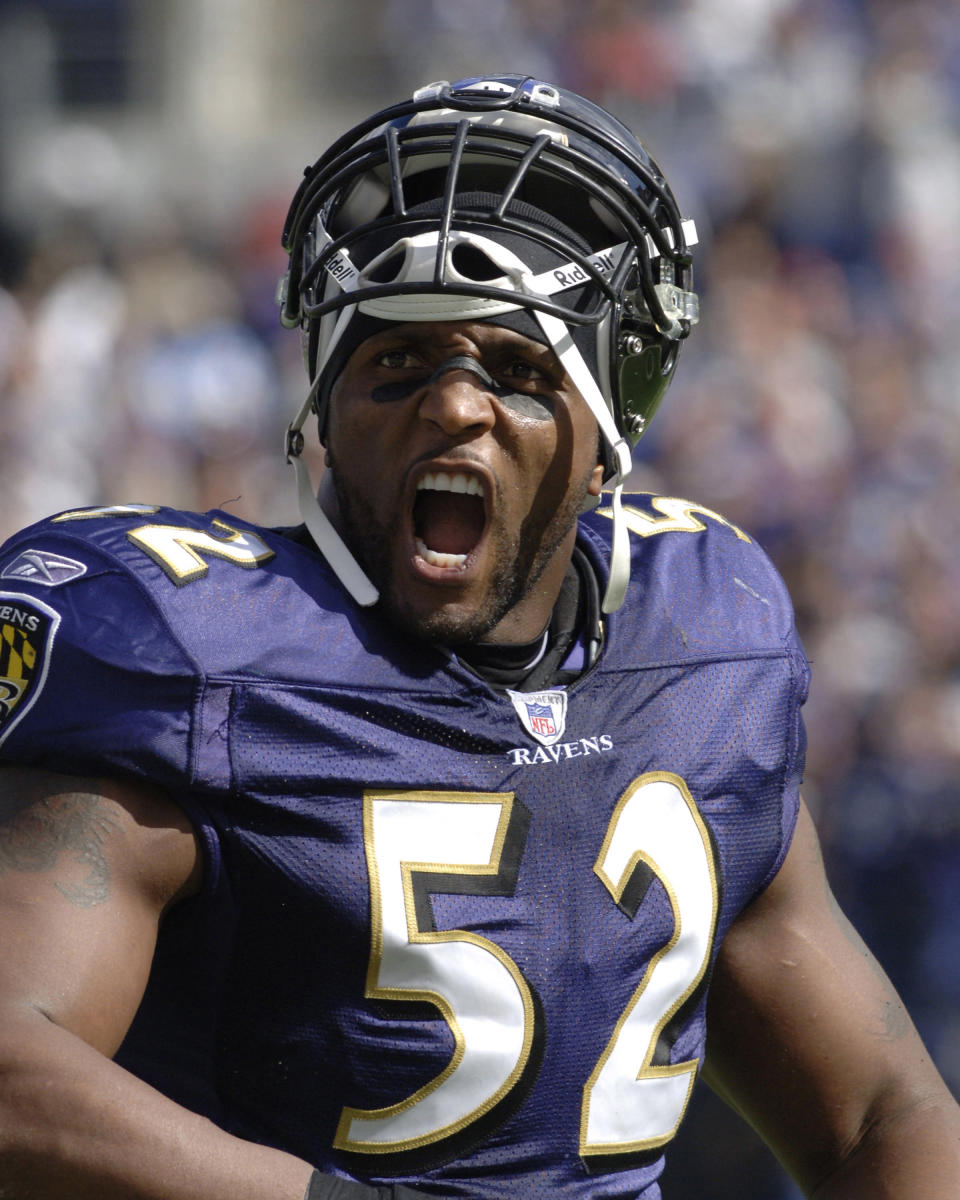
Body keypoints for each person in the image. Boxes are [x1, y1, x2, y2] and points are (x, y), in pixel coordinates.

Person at [0, 73, 956, 1200]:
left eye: (516, 371)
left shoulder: (707, 645)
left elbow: (880, 1114)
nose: (454, 409)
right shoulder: (192, 654)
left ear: (606, 443)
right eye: (396, 363)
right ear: (322, 417)